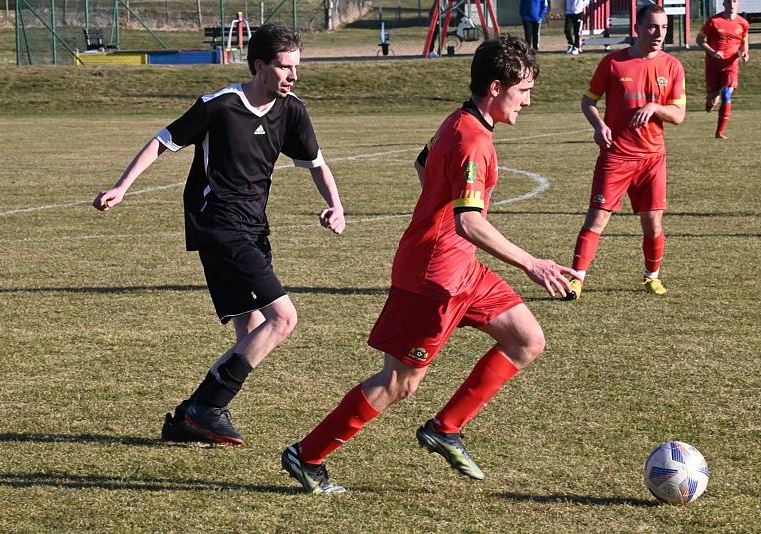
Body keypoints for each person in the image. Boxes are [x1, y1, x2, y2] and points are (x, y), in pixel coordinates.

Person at [281, 35, 578, 494]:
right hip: (434, 280)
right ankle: (308, 455)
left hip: (464, 272)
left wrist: (434, 208)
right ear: (496, 88)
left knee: (526, 339)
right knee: (399, 383)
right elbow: (468, 223)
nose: (529, 101)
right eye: (524, 91)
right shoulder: (472, 140)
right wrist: (531, 263)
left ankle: (446, 428)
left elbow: (424, 162)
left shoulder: (461, 119)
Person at [92, 24, 345, 446]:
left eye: (297, 67)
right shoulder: (221, 105)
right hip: (218, 227)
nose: (293, 76)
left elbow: (316, 162)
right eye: (285, 68)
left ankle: (189, 417)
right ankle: (209, 407)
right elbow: (162, 141)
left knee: (252, 333)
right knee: (283, 319)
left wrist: (336, 204)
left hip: (254, 229)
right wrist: (122, 185)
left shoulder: (292, 110)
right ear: (260, 65)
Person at [565, 4, 686, 301]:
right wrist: (598, 125)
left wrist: (655, 107)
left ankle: (651, 276)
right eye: (653, 27)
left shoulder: (672, 66)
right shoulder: (613, 63)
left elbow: (679, 114)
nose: (659, 34)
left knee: (653, 222)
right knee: (597, 219)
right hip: (616, 155)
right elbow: (587, 101)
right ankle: (576, 279)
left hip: (652, 159)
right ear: (638, 28)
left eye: (664, 28)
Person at [696, 0, 749, 139]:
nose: (731, 4)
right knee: (713, 99)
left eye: (734, 1)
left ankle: (720, 132)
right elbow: (699, 39)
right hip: (713, 65)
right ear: (724, 3)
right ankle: (709, 102)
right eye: (729, 1)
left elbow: (744, 41)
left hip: (730, 65)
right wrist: (712, 51)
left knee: (726, 93)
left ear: (738, 4)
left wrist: (744, 52)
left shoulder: (743, 23)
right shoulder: (713, 21)